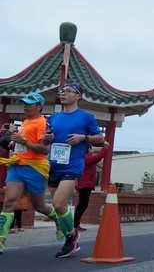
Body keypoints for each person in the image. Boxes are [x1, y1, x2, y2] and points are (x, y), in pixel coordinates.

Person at [45, 82, 105, 258]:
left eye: (68, 91)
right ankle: (71, 237)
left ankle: (70, 238)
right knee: (59, 207)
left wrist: (83, 138)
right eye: (62, 91)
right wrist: (45, 138)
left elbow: (101, 139)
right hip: (54, 164)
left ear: (78, 96)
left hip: (73, 165)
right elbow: (44, 142)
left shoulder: (86, 117)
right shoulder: (53, 117)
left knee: (57, 203)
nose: (63, 94)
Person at [0, 93, 59, 255]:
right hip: (17, 166)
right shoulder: (25, 122)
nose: (25, 107)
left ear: (39, 106)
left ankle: (59, 221)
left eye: (29, 104)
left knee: (39, 206)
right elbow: (18, 146)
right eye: (24, 104)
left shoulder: (42, 124)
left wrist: (23, 141)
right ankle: (1, 240)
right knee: (9, 201)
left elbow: (44, 149)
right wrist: (9, 137)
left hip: (34, 168)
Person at [73, 141, 109, 232]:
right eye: (91, 149)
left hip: (84, 183)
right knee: (82, 204)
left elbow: (97, 161)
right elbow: (97, 157)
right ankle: (75, 224)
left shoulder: (83, 158)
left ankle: (76, 224)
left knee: (82, 204)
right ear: (88, 149)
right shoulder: (86, 158)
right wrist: (105, 148)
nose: (92, 151)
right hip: (85, 184)